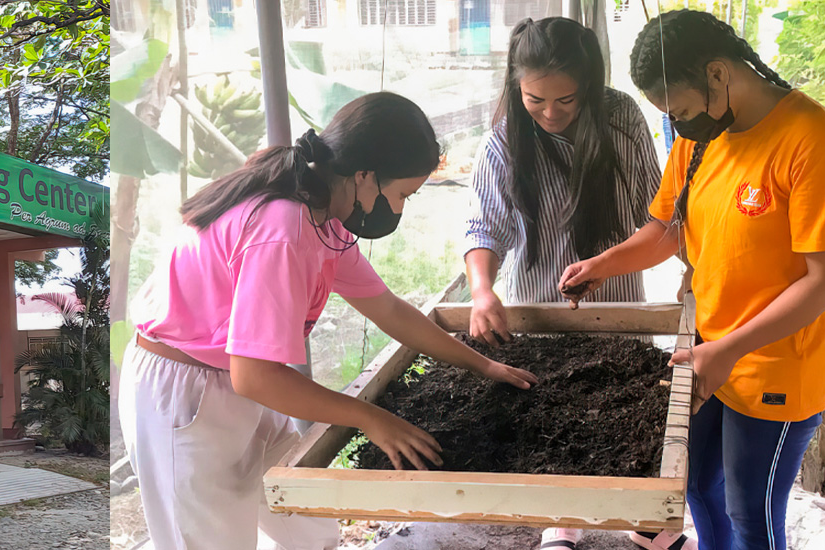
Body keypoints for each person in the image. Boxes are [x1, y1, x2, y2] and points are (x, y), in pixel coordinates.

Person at [121, 92, 540, 550]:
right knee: (206, 540)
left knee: (304, 522)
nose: (399, 208)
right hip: (185, 393)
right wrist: (370, 417)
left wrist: (484, 365)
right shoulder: (282, 230)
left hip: (230, 382)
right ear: (364, 175)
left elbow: (389, 308)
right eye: (401, 193)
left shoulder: (325, 218)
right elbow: (255, 375)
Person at [558, 10, 825, 550]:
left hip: (776, 363)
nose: (677, 124)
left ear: (719, 74)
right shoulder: (701, 139)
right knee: (693, 485)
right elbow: (664, 231)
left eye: (678, 109)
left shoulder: (815, 142)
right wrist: (600, 267)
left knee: (752, 510)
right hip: (708, 348)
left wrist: (729, 349)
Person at [459, 16, 687, 550]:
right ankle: (561, 519)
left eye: (567, 99)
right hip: (538, 307)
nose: (550, 113)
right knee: (553, 414)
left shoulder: (620, 118)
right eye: (535, 99)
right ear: (517, 87)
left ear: (589, 85)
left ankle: (642, 518)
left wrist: (606, 264)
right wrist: (482, 290)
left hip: (616, 300)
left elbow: (655, 215)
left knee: (626, 412)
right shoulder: (503, 143)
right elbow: (483, 226)